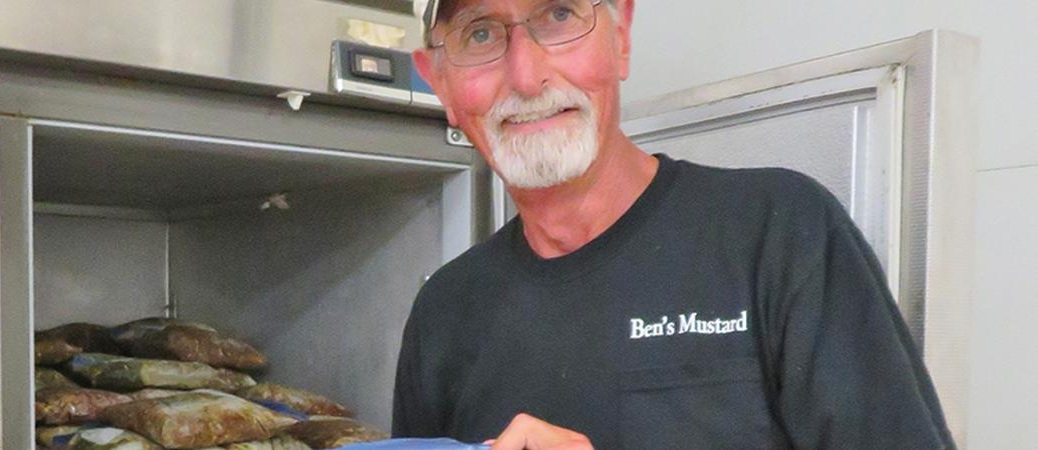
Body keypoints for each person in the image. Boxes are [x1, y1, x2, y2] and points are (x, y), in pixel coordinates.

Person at [393, 0, 955, 448]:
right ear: (438, 83)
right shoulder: (444, 313)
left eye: (559, 13)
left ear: (621, 36)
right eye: (480, 34)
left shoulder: (783, 233)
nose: (526, 74)